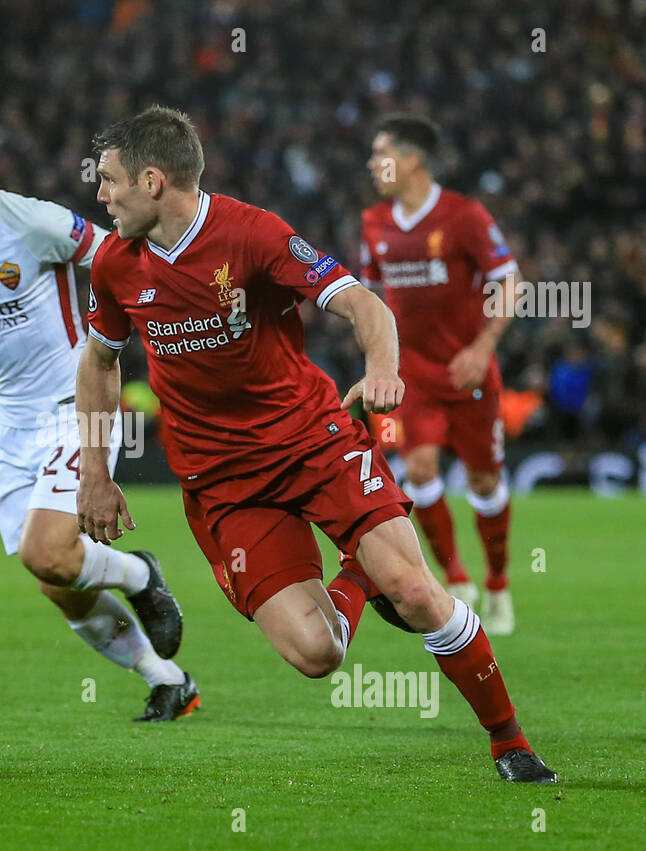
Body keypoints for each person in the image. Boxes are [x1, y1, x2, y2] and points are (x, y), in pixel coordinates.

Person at [77, 106, 555, 780]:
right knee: (316, 653)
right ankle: (359, 575)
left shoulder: (253, 234)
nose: (100, 195)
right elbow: (99, 362)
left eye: (110, 181)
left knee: (418, 594)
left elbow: (364, 304)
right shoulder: (115, 265)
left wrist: (383, 369)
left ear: (153, 180)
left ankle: (510, 744)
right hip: (225, 484)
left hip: (312, 441)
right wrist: (95, 472)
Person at [0, 107, 199, 721]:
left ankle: (139, 573)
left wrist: (150, 331)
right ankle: (167, 680)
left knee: (46, 551)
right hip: (10, 424)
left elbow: (119, 257)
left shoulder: (35, 223)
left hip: (71, 405)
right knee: (56, 579)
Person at [361, 114, 521, 634]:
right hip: (413, 378)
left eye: (380, 154)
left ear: (411, 161)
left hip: (468, 372)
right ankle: (456, 578)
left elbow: (509, 280)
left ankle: (498, 582)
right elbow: (369, 299)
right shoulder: (374, 223)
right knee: (422, 471)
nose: (371, 164)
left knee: (484, 479)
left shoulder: (464, 215)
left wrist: (484, 344)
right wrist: (378, 361)